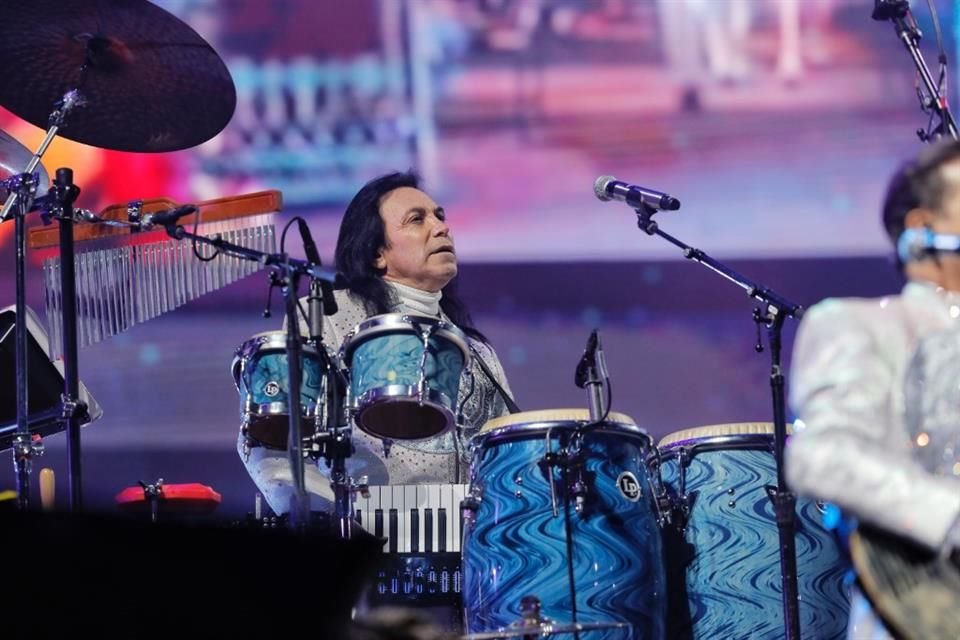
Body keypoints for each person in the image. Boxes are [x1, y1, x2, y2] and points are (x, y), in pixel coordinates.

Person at [238, 171, 516, 517]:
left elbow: (508, 457)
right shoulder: (329, 316)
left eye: (440, 217)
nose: (442, 227)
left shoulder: (476, 352)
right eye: (417, 219)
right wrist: (321, 521)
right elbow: (273, 439)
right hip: (364, 534)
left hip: (469, 542)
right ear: (377, 254)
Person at [786, 138, 960, 638]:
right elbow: (821, 455)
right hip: (922, 612)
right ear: (923, 228)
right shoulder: (857, 326)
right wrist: (949, 518)